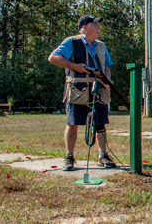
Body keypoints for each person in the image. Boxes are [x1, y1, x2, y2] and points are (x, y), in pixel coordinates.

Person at [48, 15, 116, 171]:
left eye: (99, 25)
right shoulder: (71, 42)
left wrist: (107, 79)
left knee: (100, 123)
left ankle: (102, 155)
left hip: (98, 88)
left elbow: (106, 67)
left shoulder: (101, 46)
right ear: (85, 27)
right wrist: (74, 66)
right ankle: (69, 157)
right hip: (78, 88)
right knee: (72, 123)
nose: (99, 28)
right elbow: (53, 58)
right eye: (95, 24)